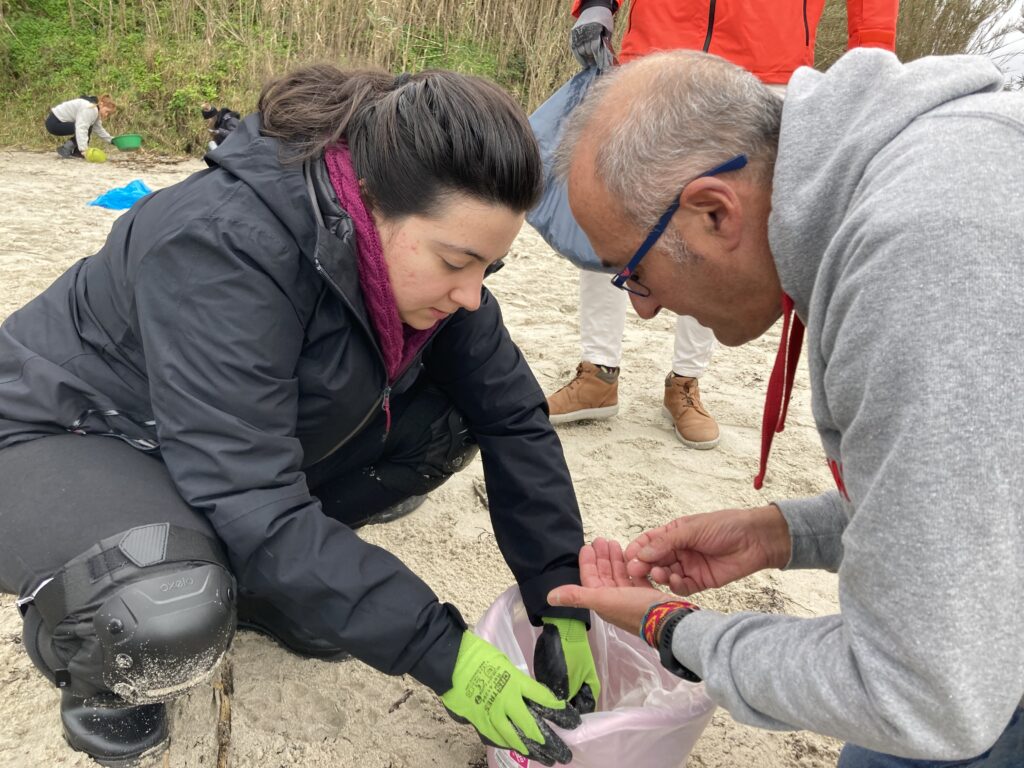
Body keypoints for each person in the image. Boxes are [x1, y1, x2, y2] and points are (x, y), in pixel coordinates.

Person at [0, 65, 600, 767]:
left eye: (488, 270)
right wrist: (445, 653)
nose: (470, 296)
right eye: (455, 262)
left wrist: (559, 594)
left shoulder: (408, 265)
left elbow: (515, 418)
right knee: (160, 609)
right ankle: (98, 666)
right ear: (372, 201)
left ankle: (258, 586)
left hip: (210, 445)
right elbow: (251, 496)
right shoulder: (225, 247)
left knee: (446, 421)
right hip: (71, 428)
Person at [545, 49, 1024, 765]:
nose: (642, 311)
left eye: (632, 272)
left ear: (713, 210)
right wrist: (785, 534)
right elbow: (991, 497)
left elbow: (921, 696)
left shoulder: (918, 258)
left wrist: (676, 632)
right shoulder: (910, 165)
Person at [547, 0, 898, 450]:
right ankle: (598, 371)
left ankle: (686, 380)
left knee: (725, 241)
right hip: (658, 44)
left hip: (767, 52)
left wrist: (871, 53)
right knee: (610, 212)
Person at [45, 94, 116, 159]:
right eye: (107, 111)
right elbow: (81, 128)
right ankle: (67, 149)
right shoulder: (90, 109)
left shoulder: (95, 111)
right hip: (54, 123)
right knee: (85, 127)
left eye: (109, 114)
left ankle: (77, 153)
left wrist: (112, 140)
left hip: (57, 122)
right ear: (101, 104)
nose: (106, 115)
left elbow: (99, 130)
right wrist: (84, 149)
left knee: (87, 126)